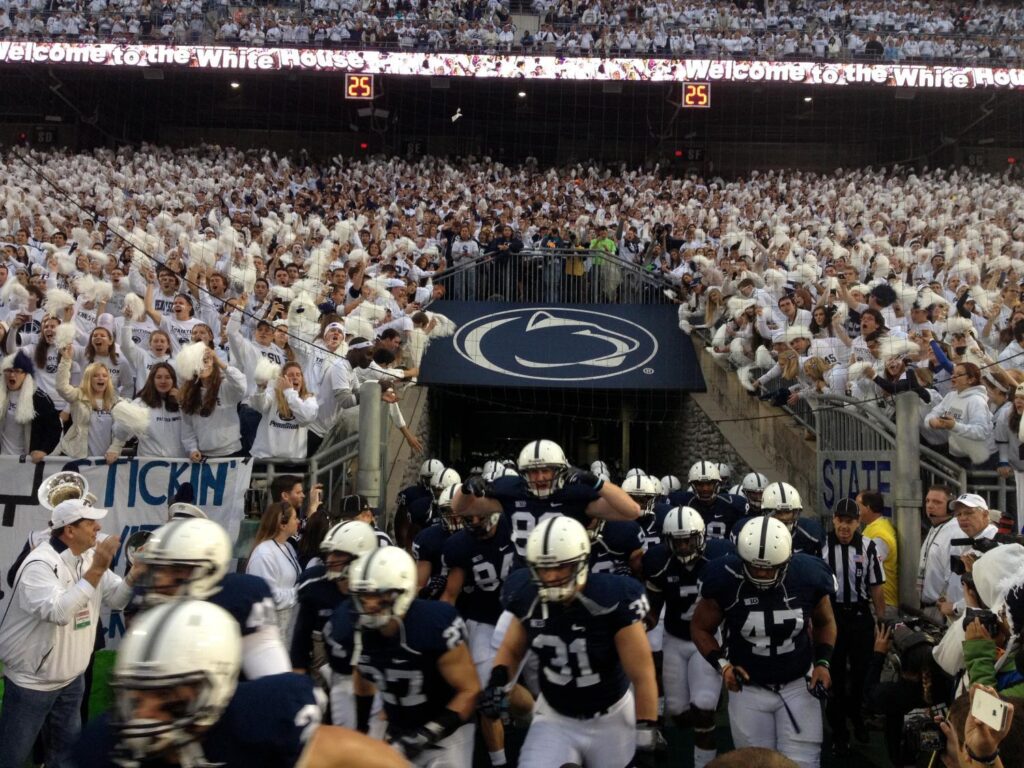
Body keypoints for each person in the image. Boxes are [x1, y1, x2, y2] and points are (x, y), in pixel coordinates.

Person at [72, 600, 409, 768]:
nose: (144, 713)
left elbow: (351, 754)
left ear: (213, 689)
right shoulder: (101, 746)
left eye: (168, 697)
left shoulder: (255, 719)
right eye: (135, 696)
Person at [481, 516, 663, 768]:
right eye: (543, 568)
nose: (551, 576)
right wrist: (498, 681)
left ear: (581, 562)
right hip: (555, 717)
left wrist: (644, 735)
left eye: (561, 567)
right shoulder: (525, 596)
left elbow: (642, 676)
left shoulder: (612, 598)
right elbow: (511, 649)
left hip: (611, 717)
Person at [691, 516, 837, 768]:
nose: (761, 573)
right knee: (754, 762)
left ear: (787, 560)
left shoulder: (808, 575)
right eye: (754, 566)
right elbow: (700, 628)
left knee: (803, 764)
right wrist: (723, 666)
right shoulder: (725, 578)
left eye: (769, 567)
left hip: (798, 685)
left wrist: (823, 663)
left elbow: (825, 622)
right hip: (749, 688)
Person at [0, 499, 134, 768]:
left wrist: (134, 575)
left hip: (72, 679)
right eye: (90, 522)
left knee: (65, 756)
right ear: (70, 530)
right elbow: (59, 613)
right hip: (33, 682)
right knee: (12, 756)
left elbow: (118, 600)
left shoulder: (87, 557)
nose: (98, 527)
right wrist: (97, 569)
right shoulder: (39, 564)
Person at [337, 546, 481, 764]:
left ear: (402, 592)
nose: (369, 604)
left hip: (447, 732)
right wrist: (362, 727)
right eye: (364, 596)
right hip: (398, 730)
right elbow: (363, 678)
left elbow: (470, 690)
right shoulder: (355, 628)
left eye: (379, 595)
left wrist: (426, 735)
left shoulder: (433, 624)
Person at [132, 517, 291, 679]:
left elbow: (274, 681)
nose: (161, 581)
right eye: (157, 570)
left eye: (177, 572)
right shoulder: (150, 599)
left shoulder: (239, 596)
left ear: (209, 570)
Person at [643, 506, 734, 768]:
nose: (683, 546)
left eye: (689, 540)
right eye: (678, 541)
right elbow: (653, 610)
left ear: (701, 537)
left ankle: (705, 763)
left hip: (706, 641)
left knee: (703, 709)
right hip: (674, 639)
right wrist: (638, 627)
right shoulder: (658, 562)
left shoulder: (719, 558)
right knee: (679, 714)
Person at [454, 438, 641, 558]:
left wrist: (595, 481)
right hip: (525, 574)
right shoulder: (511, 491)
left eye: (546, 470)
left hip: (566, 574)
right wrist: (465, 489)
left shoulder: (574, 494)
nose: (540, 477)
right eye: (533, 471)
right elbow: (460, 508)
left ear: (560, 470)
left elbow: (632, 511)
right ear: (523, 473)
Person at [440, 498, 516, 767]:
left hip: (525, 617)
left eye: (479, 517)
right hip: (485, 620)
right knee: (487, 698)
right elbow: (450, 594)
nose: (473, 523)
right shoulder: (460, 545)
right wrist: (438, 625)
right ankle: (499, 762)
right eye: (468, 518)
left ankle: (536, 723)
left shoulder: (516, 525)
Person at [290, 520, 379, 727]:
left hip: (370, 670)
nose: (330, 559)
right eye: (329, 553)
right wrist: (299, 690)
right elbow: (299, 644)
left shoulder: (378, 586)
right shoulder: (314, 584)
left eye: (338, 554)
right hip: (325, 665)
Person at [820, 498, 886, 756]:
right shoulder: (821, 545)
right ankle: (839, 732)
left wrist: (881, 620)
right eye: (840, 520)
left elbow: (876, 587)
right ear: (833, 519)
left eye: (850, 521)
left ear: (859, 522)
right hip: (831, 615)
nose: (844, 526)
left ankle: (857, 717)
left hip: (859, 616)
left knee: (861, 673)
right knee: (834, 675)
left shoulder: (869, 546)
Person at [55, 345, 150, 461]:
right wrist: (66, 360)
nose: (101, 378)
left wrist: (115, 449)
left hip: (107, 460)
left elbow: (122, 429)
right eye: (96, 376)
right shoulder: (78, 396)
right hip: (79, 457)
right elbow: (61, 387)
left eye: (105, 376)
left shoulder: (115, 401)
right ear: (89, 379)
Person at [178, 341, 247, 460]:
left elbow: (241, 385)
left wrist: (219, 361)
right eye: (198, 362)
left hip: (231, 452)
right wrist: (192, 449)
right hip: (203, 455)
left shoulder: (226, 387)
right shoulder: (188, 393)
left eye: (205, 361)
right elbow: (187, 427)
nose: (202, 366)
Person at [246, 501, 302, 643]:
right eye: (295, 518)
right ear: (283, 524)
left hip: (287, 629)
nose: (298, 521)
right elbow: (269, 597)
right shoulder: (264, 554)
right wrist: (299, 593)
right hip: (270, 634)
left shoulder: (288, 547)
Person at [113, 362, 186, 457]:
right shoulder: (140, 403)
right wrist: (115, 447)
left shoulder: (182, 403)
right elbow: (120, 431)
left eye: (168, 377)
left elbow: (193, 429)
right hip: (149, 460)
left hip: (179, 462)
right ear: (152, 379)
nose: (163, 381)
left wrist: (182, 402)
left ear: (173, 380)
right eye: (158, 377)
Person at [0, 348, 61, 460]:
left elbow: (54, 429)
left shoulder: (39, 398)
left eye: (17, 371)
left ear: (26, 374)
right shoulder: (1, 394)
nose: (12, 375)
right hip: (2, 458)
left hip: (25, 461)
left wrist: (43, 450)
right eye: (8, 370)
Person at [250, 361, 318, 460]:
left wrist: (289, 392)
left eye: (298, 375)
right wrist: (260, 388)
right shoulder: (273, 393)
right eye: (290, 375)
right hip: (265, 457)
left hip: (292, 462)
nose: (295, 377)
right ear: (283, 379)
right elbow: (259, 406)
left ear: (302, 379)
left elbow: (306, 418)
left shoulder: (309, 399)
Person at [666, 460, 748, 539]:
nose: (705, 489)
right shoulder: (683, 502)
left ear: (717, 484)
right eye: (700, 484)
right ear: (693, 486)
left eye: (709, 484)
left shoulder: (732, 504)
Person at [918, 484, 961, 624]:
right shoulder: (935, 527)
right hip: (928, 607)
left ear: (951, 506)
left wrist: (949, 606)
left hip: (942, 610)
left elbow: (954, 576)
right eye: (927, 501)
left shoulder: (955, 532)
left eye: (937, 502)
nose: (930, 506)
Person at [857, 489, 899, 619]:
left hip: (882, 603)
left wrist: (850, 557)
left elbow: (867, 562)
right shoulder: (875, 527)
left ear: (868, 508)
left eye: (858, 505)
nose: (855, 510)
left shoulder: (879, 533)